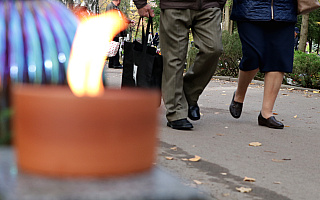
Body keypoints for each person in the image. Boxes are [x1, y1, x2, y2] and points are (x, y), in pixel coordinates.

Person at [133, 0, 225, 130]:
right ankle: (176, 112)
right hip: (174, 5)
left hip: (208, 6)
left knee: (213, 49)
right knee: (174, 58)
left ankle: (188, 94)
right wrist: (141, 3)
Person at [229, 0, 297, 129]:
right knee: (252, 55)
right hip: (250, 8)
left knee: (278, 59)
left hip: (284, 9)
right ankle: (239, 94)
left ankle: (266, 114)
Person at [106, 0, 132, 69]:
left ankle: (112, 63)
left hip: (117, 31)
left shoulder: (117, 8)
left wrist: (129, 21)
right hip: (113, 30)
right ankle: (115, 63)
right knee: (115, 46)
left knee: (114, 46)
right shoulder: (110, 6)